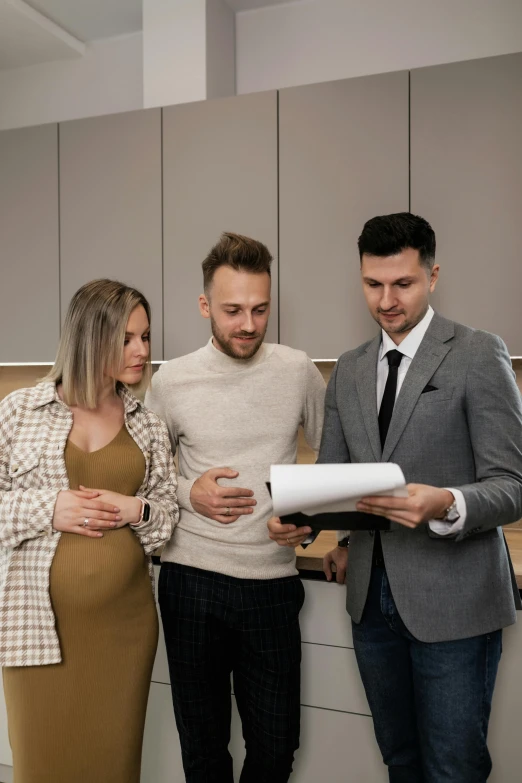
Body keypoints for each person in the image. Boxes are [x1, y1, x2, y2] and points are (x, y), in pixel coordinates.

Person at [269, 213, 522, 783]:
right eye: (372, 284)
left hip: (455, 603)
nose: (386, 300)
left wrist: (447, 502)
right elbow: (333, 478)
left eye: (402, 284)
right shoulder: (351, 369)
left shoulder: (479, 354)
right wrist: (305, 526)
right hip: (371, 602)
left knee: (453, 769)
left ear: (432, 275)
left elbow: (511, 486)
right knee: (400, 761)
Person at [145, 232, 325, 783]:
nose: (248, 324)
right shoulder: (170, 380)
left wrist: (305, 517)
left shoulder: (297, 372)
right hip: (190, 581)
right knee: (203, 752)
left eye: (259, 309)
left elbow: (339, 462)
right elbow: (146, 477)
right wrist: (187, 491)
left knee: (275, 748)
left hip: (271, 584)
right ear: (205, 307)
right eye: (232, 311)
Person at [0, 279, 179, 783]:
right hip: (36, 628)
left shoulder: (147, 424)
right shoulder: (19, 412)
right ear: (89, 338)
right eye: (127, 339)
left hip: (125, 631)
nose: (142, 350)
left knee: (114, 768)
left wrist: (135, 509)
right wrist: (48, 507)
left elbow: (166, 520)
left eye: (145, 336)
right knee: (41, 765)